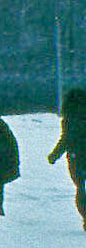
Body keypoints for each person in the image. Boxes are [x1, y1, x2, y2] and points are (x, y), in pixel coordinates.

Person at [47, 87, 86, 230]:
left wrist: (54, 155)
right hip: (79, 155)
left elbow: (66, 139)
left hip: (77, 157)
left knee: (81, 188)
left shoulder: (69, 119)